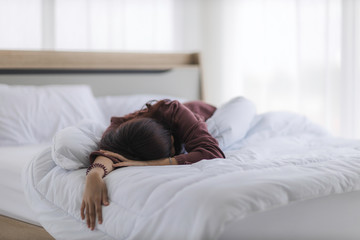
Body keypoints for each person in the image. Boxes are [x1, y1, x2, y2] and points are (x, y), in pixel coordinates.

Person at [80, 99, 225, 230]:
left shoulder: (174, 110)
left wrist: (149, 163)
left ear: (171, 136)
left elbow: (212, 152)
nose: (174, 154)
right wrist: (94, 175)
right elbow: (108, 153)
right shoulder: (118, 131)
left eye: (172, 151)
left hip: (208, 111)